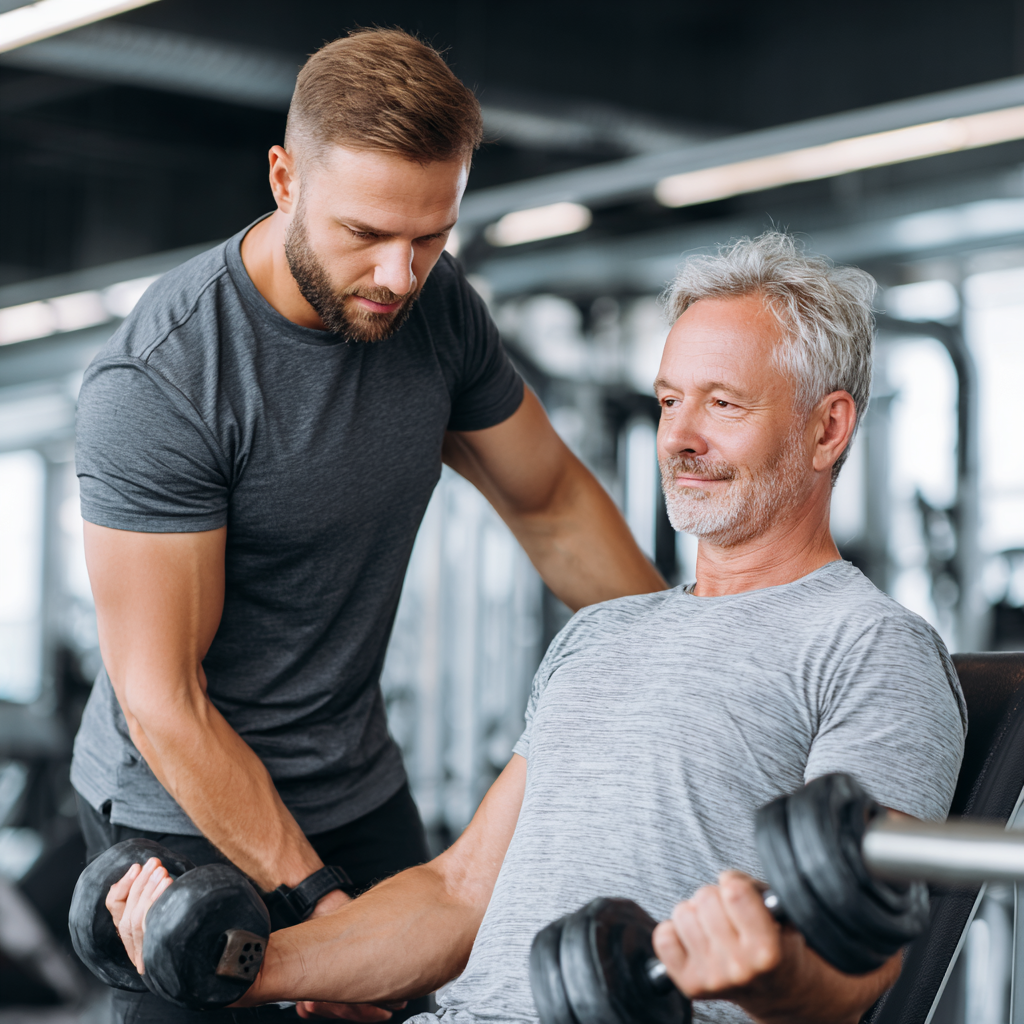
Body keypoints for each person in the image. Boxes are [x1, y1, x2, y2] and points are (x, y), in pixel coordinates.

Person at [108, 233, 967, 1024]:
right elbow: (457, 891)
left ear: (828, 427)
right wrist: (242, 964)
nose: (681, 438)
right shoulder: (601, 636)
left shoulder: (873, 649)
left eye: (723, 405)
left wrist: (769, 978)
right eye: (669, 401)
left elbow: (862, 967)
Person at [72, 27, 666, 1024]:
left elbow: (549, 502)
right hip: (179, 806)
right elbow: (165, 701)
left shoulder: (438, 313)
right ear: (283, 178)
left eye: (431, 235)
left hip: (352, 777)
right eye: (365, 233)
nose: (399, 273)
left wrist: (697, 649)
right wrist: (323, 908)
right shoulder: (165, 382)